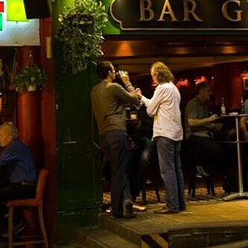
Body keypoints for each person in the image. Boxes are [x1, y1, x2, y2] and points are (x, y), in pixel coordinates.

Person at [91, 60, 139, 219]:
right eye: (113, 70)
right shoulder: (113, 87)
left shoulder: (94, 91)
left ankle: (126, 200)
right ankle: (117, 209)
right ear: (109, 72)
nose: (115, 72)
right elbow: (134, 99)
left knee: (117, 169)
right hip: (116, 132)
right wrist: (127, 82)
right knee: (119, 171)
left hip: (103, 135)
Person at [139, 62, 185, 214]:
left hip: (164, 132)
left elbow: (151, 110)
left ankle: (172, 205)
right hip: (177, 133)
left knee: (167, 171)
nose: (152, 77)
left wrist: (141, 98)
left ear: (158, 74)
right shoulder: (174, 88)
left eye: (152, 74)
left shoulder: (161, 88)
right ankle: (180, 203)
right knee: (177, 169)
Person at [0, 123, 37, 235]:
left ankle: (12, 224)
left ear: (9, 137)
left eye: (0, 136)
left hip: (25, 187)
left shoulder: (14, 147)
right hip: (23, 185)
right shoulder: (13, 147)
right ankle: (10, 223)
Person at [183, 82, 223, 189]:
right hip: (193, 136)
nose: (210, 93)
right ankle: (200, 165)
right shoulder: (193, 104)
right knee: (216, 148)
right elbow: (191, 122)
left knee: (223, 145)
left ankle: (208, 169)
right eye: (208, 91)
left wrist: (212, 126)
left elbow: (203, 122)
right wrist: (209, 120)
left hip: (204, 134)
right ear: (201, 91)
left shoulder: (205, 105)